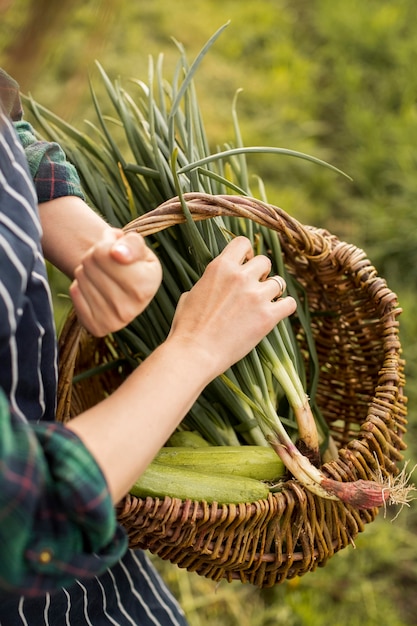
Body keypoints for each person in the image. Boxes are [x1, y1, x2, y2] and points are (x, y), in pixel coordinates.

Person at [0, 68, 296, 625]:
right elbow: (27, 511)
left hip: (85, 505)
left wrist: (96, 246)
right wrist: (195, 349)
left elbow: (7, 144)